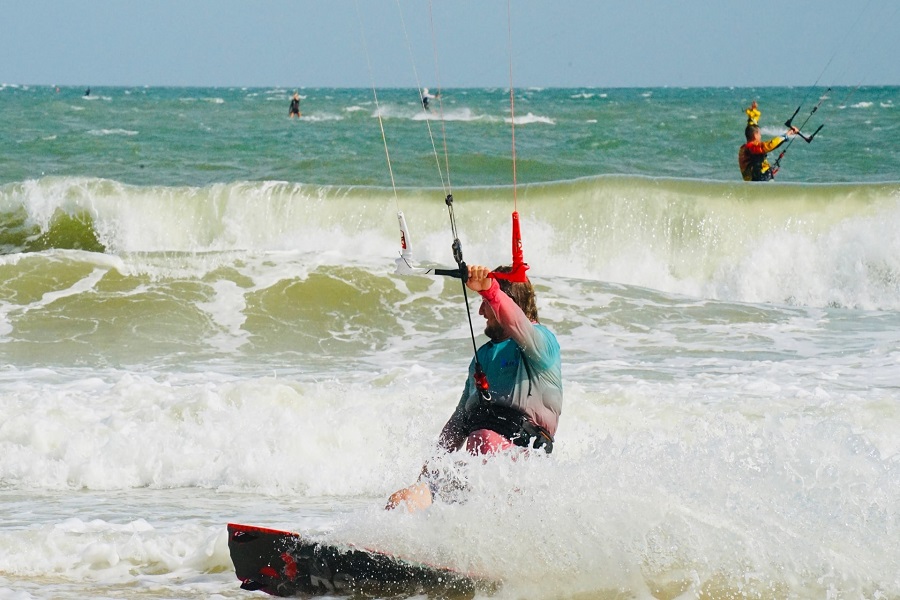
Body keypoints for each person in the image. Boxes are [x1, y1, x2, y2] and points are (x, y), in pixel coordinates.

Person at [386, 264, 563, 512]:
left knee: (484, 440)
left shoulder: (542, 344)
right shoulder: (483, 357)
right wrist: (425, 480)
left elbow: (518, 323)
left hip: (522, 469)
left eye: (486, 302)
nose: (480, 311)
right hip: (477, 470)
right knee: (402, 501)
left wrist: (490, 289)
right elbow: (457, 423)